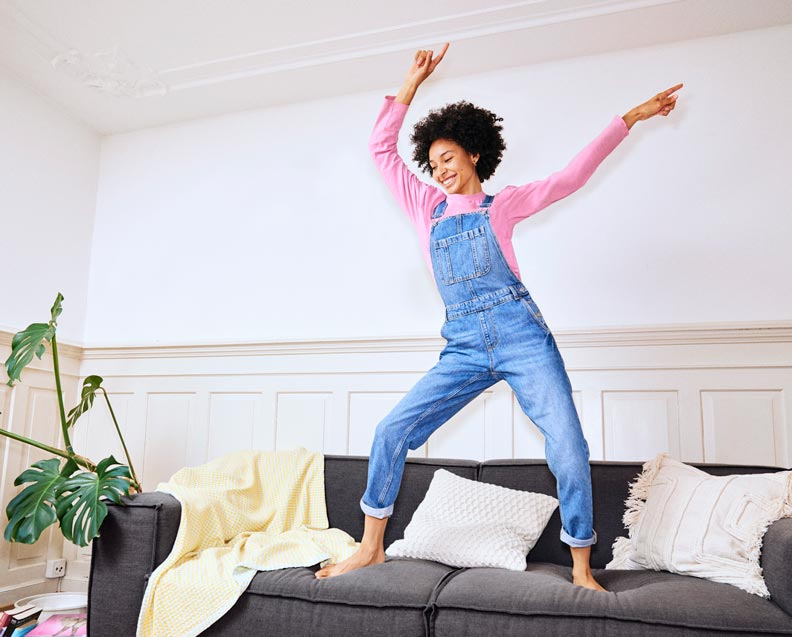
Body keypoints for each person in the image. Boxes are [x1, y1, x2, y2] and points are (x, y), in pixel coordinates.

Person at [316, 42, 682, 591]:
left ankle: (582, 567)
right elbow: (380, 148)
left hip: (521, 339)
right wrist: (411, 84)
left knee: (568, 446)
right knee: (391, 429)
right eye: (433, 163)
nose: (439, 170)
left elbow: (570, 177)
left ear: (474, 155)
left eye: (448, 158)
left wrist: (629, 118)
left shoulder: (503, 205)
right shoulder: (426, 207)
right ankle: (370, 548)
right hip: (463, 345)